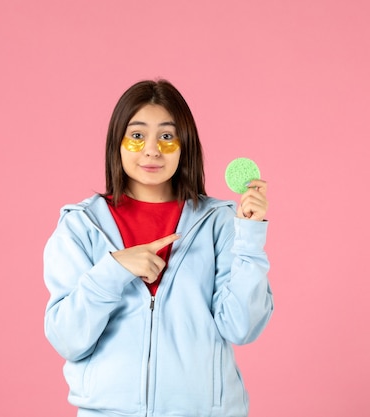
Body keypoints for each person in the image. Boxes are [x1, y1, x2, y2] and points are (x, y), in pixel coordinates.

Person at [43, 79, 273, 417]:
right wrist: (114, 269)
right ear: (117, 142)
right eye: (137, 136)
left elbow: (242, 327)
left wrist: (249, 236)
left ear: (185, 145)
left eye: (166, 136)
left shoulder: (219, 222)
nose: (152, 149)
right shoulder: (80, 226)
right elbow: (67, 338)